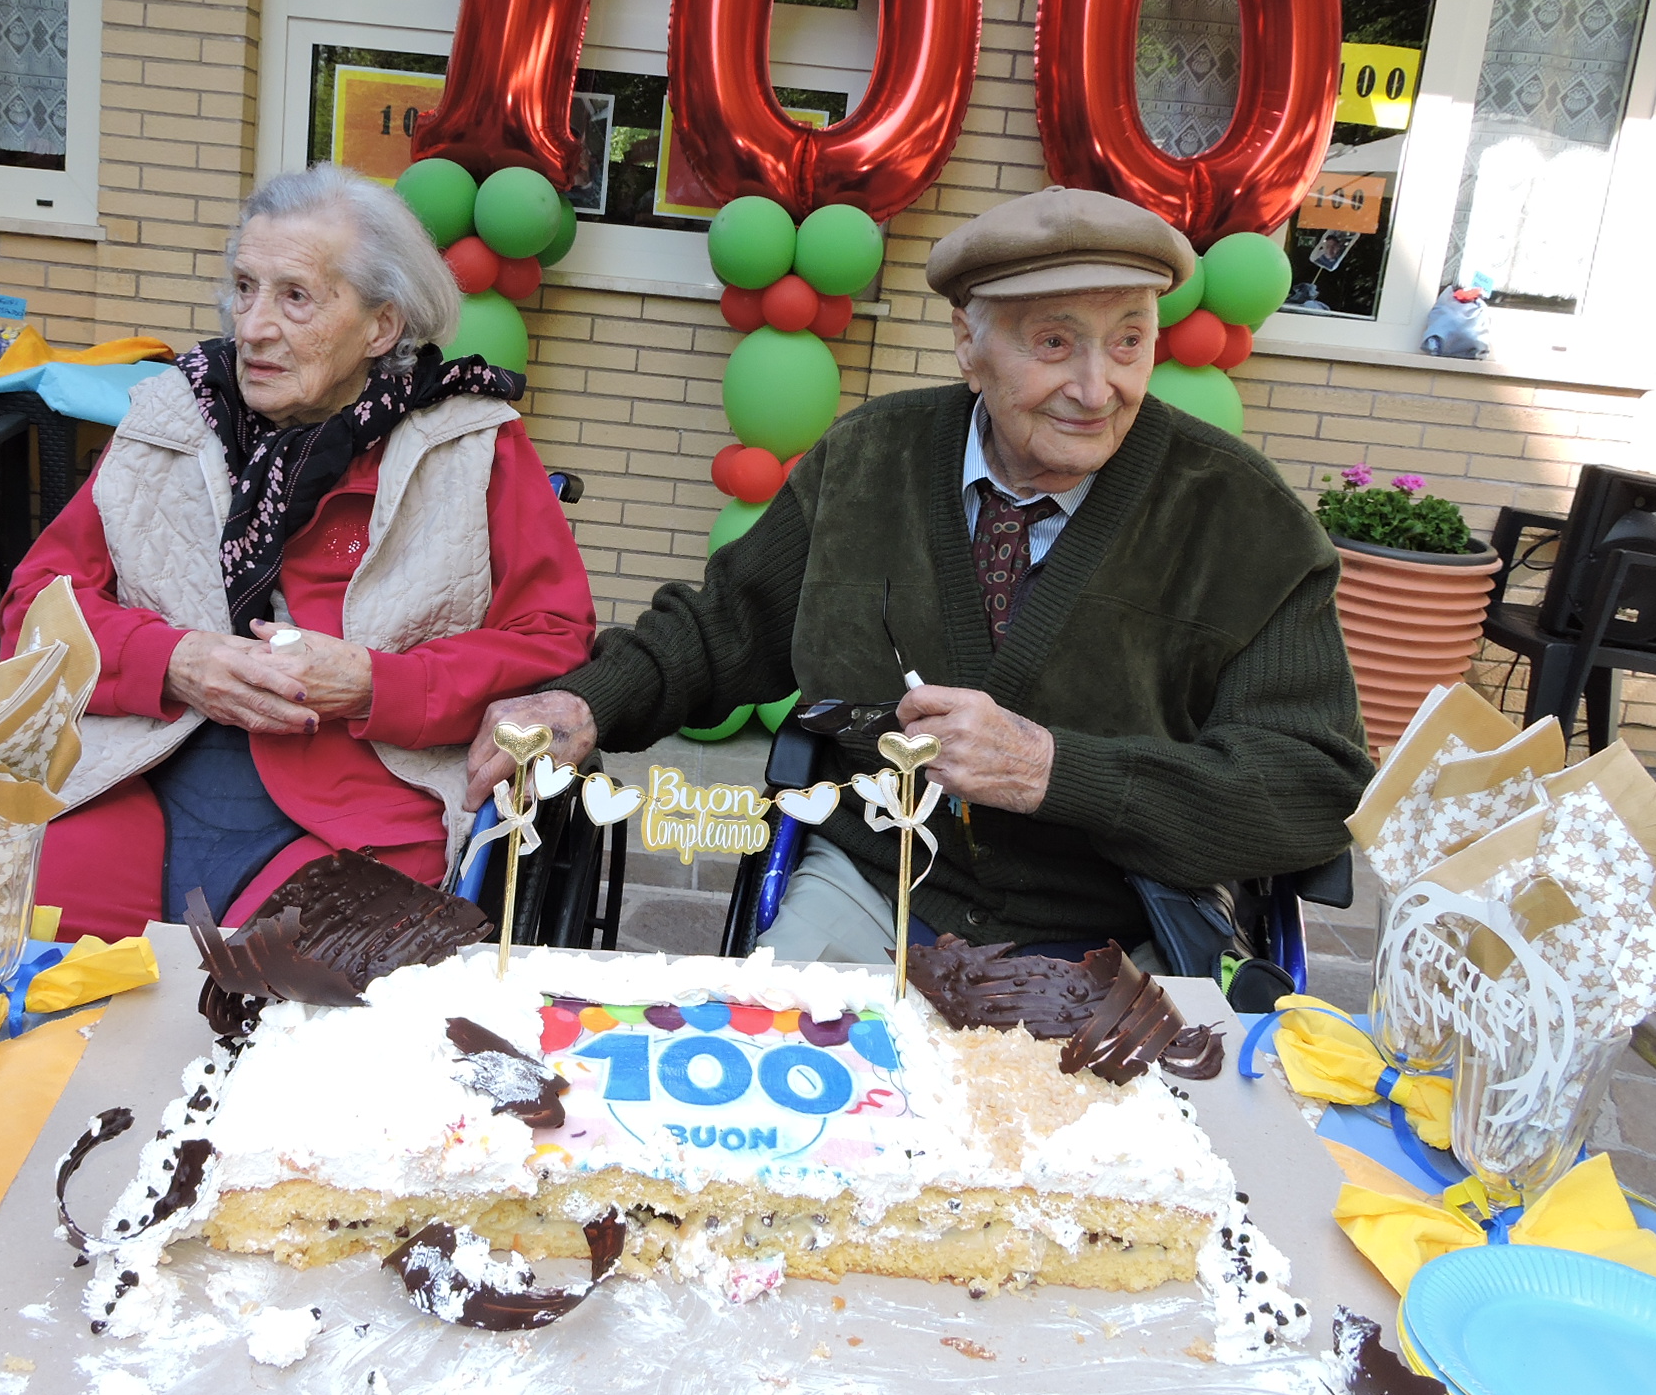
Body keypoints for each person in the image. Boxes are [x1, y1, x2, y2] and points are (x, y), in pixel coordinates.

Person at [467, 186, 1372, 964]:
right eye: (1055, 344)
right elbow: (725, 628)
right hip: (877, 890)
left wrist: (1057, 771)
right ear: (967, 346)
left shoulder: (1243, 518)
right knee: (779, 1074)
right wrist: (585, 703)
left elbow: (1309, 789)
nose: (1098, 388)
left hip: (1123, 921)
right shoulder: (872, 458)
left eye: (1129, 342)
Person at [3, 165, 597, 940]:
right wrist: (171, 660)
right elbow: (33, 614)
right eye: (244, 287)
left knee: (282, 1023)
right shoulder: (168, 420)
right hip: (129, 773)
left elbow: (553, 642)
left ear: (380, 327)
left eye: (295, 297)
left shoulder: (470, 445)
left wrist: (377, 684)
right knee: (29, 990)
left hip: (360, 809)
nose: (251, 327)